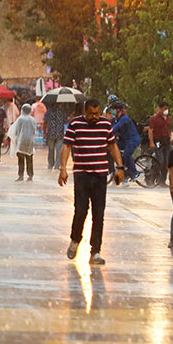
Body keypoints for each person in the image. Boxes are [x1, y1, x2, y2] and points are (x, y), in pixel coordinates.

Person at [60, 98, 125, 266]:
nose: (95, 117)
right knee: (80, 211)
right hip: (82, 175)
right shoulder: (75, 124)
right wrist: (63, 169)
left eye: (97, 113)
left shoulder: (105, 125)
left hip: (100, 176)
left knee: (99, 214)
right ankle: (75, 240)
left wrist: (120, 167)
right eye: (91, 114)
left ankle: (95, 251)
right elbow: (66, 146)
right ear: (85, 112)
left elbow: (112, 146)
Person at [112, 103, 141, 183]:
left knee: (126, 154)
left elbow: (115, 128)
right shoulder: (117, 119)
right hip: (126, 141)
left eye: (114, 109)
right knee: (115, 148)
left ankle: (135, 173)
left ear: (119, 110)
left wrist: (107, 133)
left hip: (133, 140)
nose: (113, 111)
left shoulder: (125, 118)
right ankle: (125, 170)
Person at [10, 103, 38, 182]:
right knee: (29, 158)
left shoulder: (20, 119)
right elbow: (34, 131)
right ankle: (30, 176)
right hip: (30, 141)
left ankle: (20, 176)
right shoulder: (33, 120)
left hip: (21, 141)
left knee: (21, 159)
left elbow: (16, 130)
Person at [148, 101, 173, 185]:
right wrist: (151, 142)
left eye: (167, 108)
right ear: (161, 108)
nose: (166, 110)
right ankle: (152, 178)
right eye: (165, 108)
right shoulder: (154, 118)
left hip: (167, 141)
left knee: (166, 162)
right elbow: (151, 131)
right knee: (159, 161)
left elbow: (169, 129)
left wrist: (171, 137)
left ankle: (162, 181)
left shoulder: (168, 118)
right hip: (158, 140)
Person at [44, 103, 68, 171]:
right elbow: (66, 122)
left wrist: (44, 133)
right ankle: (57, 166)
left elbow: (45, 122)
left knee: (51, 149)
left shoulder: (48, 111)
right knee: (59, 150)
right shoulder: (62, 111)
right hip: (59, 134)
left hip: (50, 133)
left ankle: (50, 164)